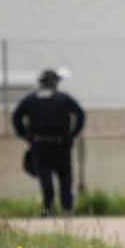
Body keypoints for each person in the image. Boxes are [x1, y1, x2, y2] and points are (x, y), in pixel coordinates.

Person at [12, 69, 86, 216]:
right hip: (61, 143)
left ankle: (48, 208)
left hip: (40, 143)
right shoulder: (63, 98)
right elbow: (80, 114)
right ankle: (67, 208)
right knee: (65, 176)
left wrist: (26, 136)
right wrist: (73, 134)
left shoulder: (31, 99)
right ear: (55, 83)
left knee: (45, 175)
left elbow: (16, 117)